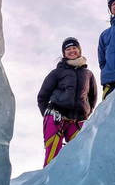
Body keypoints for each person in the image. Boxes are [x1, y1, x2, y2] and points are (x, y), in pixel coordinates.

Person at [37, 37, 97, 167]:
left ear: (79, 50)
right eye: (68, 49)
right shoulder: (57, 73)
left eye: (74, 48)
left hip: (77, 120)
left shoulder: (88, 74)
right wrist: (47, 115)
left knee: (81, 154)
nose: (72, 51)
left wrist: (85, 113)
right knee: (53, 154)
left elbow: (92, 97)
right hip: (55, 116)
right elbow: (42, 96)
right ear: (64, 53)